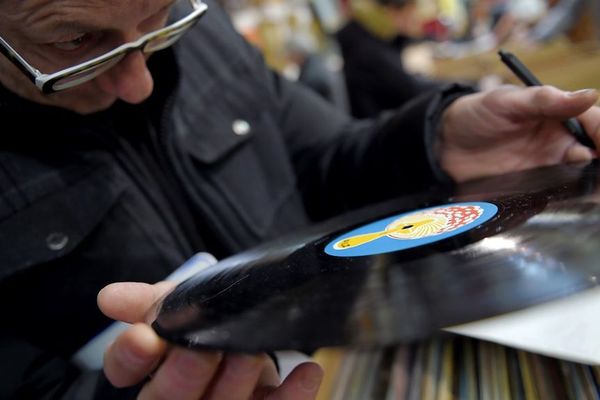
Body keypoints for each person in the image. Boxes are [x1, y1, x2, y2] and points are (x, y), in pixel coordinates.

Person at [0, 0, 599, 398]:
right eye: (76, 40)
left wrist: (434, 143)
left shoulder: (206, 32)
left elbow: (323, 158)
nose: (139, 84)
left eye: (160, 17)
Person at [335, 0, 448, 118]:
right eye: (411, 13)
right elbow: (414, 91)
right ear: (392, 10)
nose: (417, 19)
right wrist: (459, 88)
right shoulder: (368, 51)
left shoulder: (367, 37)